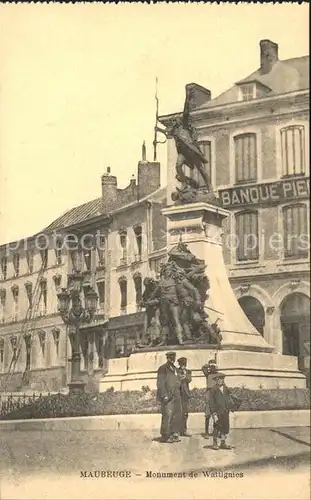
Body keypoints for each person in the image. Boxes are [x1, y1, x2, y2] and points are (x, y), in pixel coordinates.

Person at [156, 351, 183, 443]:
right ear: (167, 358)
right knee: (167, 415)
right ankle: (165, 435)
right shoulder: (163, 368)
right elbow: (160, 383)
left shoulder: (176, 369)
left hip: (176, 395)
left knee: (176, 414)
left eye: (173, 358)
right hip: (168, 396)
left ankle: (174, 434)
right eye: (170, 358)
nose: (172, 359)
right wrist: (164, 395)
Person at [209, 372, 234, 450]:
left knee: (225, 427)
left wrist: (231, 406)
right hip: (218, 412)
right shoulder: (213, 389)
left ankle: (223, 443)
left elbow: (229, 397)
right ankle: (215, 443)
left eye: (222, 379)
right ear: (216, 380)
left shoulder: (225, 388)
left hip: (225, 411)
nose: (221, 381)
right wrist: (214, 413)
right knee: (217, 427)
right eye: (219, 379)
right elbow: (211, 402)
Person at [202, 360, 218, 438]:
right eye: (211, 367)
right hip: (209, 394)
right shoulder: (208, 374)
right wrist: (209, 365)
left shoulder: (218, 375)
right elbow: (203, 367)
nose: (212, 368)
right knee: (207, 415)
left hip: (216, 395)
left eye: (213, 366)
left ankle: (216, 432)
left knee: (216, 414)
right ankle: (206, 432)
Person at [177, 357, 192, 436]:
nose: (183, 366)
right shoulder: (177, 371)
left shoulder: (188, 371)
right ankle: (178, 430)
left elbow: (189, 379)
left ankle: (184, 430)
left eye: (184, 364)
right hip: (178, 394)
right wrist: (184, 377)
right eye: (181, 364)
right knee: (178, 412)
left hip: (185, 394)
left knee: (185, 413)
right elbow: (177, 379)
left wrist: (183, 377)